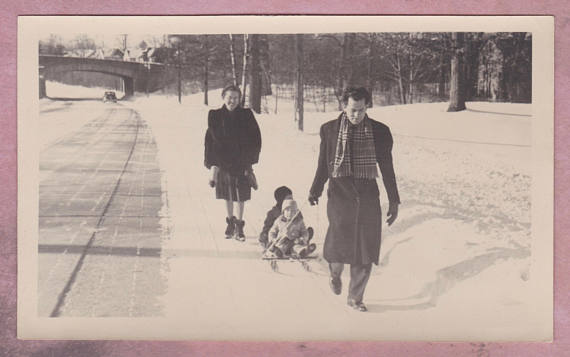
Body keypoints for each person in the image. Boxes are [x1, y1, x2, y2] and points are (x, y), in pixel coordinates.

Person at [308, 87, 400, 312]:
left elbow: (387, 168)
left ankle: (355, 298)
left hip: (368, 196)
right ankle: (335, 273)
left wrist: (394, 200)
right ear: (343, 106)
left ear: (367, 106)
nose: (355, 115)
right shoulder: (329, 130)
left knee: (366, 248)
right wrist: (315, 190)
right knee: (339, 242)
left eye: (360, 110)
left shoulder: (380, 132)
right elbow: (323, 164)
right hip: (340, 194)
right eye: (351, 110)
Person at [204, 85, 262, 241]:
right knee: (227, 194)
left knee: (241, 195)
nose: (232, 101)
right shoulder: (214, 115)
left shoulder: (246, 114)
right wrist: (212, 163)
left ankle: (239, 225)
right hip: (223, 162)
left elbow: (256, 138)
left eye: (236, 98)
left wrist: (249, 160)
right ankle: (230, 222)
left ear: (240, 99)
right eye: (229, 97)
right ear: (223, 97)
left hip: (241, 162)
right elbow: (209, 140)